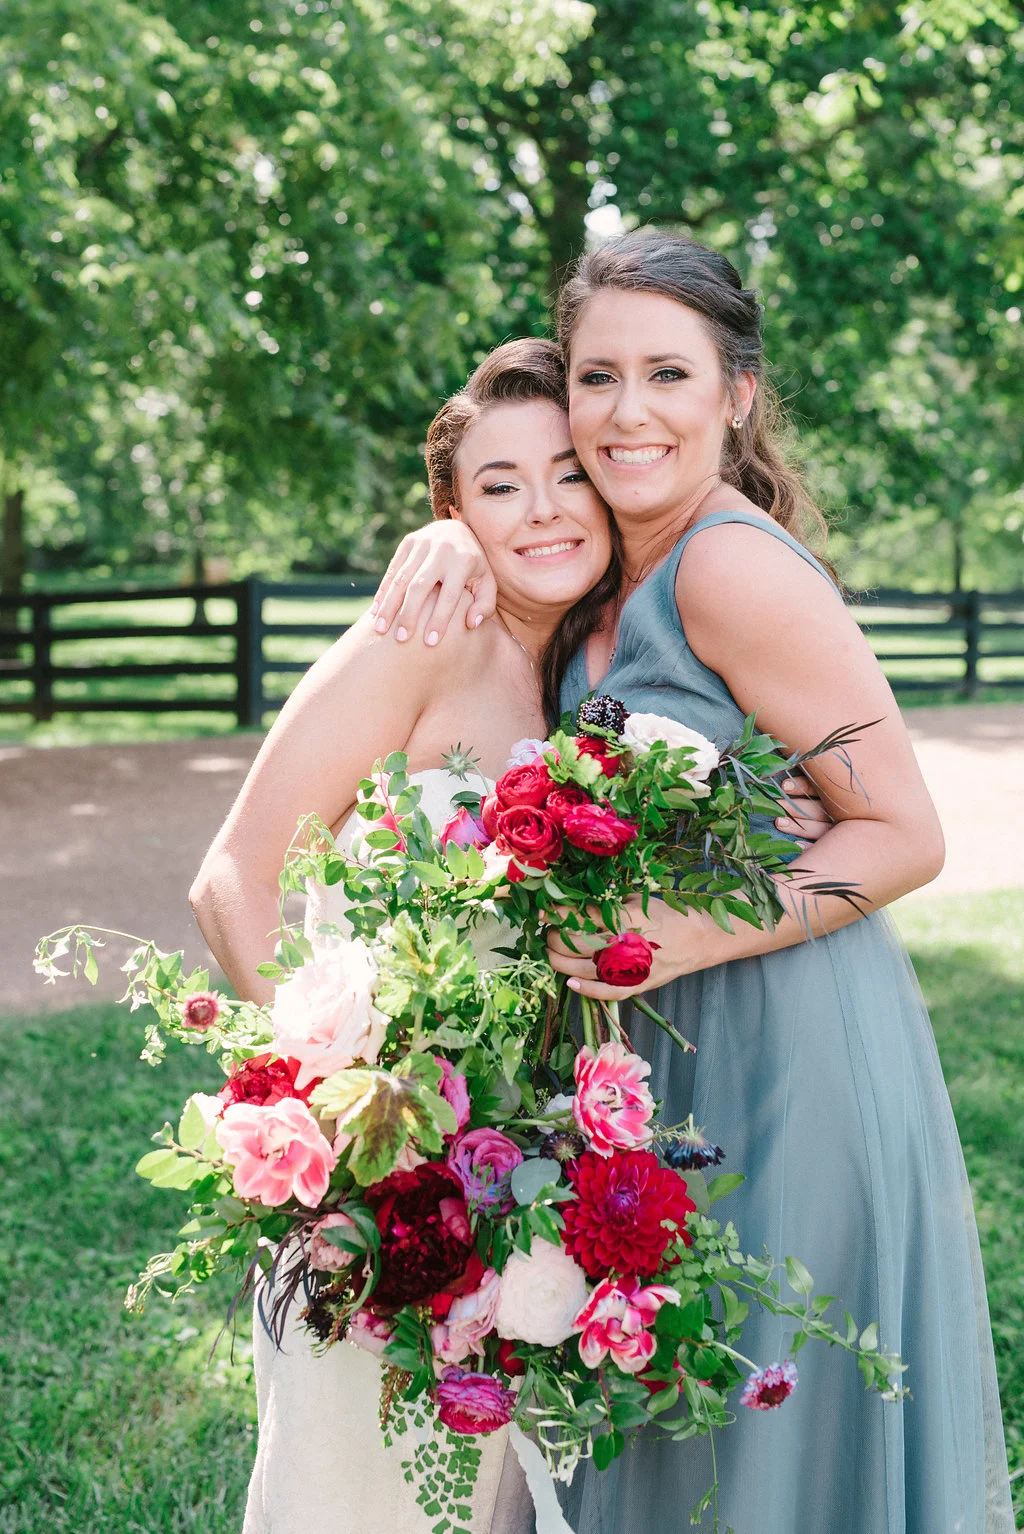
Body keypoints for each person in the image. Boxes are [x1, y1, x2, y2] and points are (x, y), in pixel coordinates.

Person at [370, 233, 1014, 1533]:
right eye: (598, 376)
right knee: (667, 1428)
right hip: (662, 1057)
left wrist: (675, 937)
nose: (628, 412)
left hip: (787, 1048)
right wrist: (443, 537)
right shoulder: (610, 563)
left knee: (758, 1436)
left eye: (669, 373)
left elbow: (904, 832)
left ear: (738, 394)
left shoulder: (727, 565)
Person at [190, 335, 830, 1534]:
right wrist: (339, 1122)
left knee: (491, 1499)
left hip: (515, 1186)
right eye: (498, 485)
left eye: (566, 474)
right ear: (450, 514)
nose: (541, 508)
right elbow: (230, 880)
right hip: (379, 1185)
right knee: (356, 1494)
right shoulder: (419, 640)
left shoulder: (592, 679)